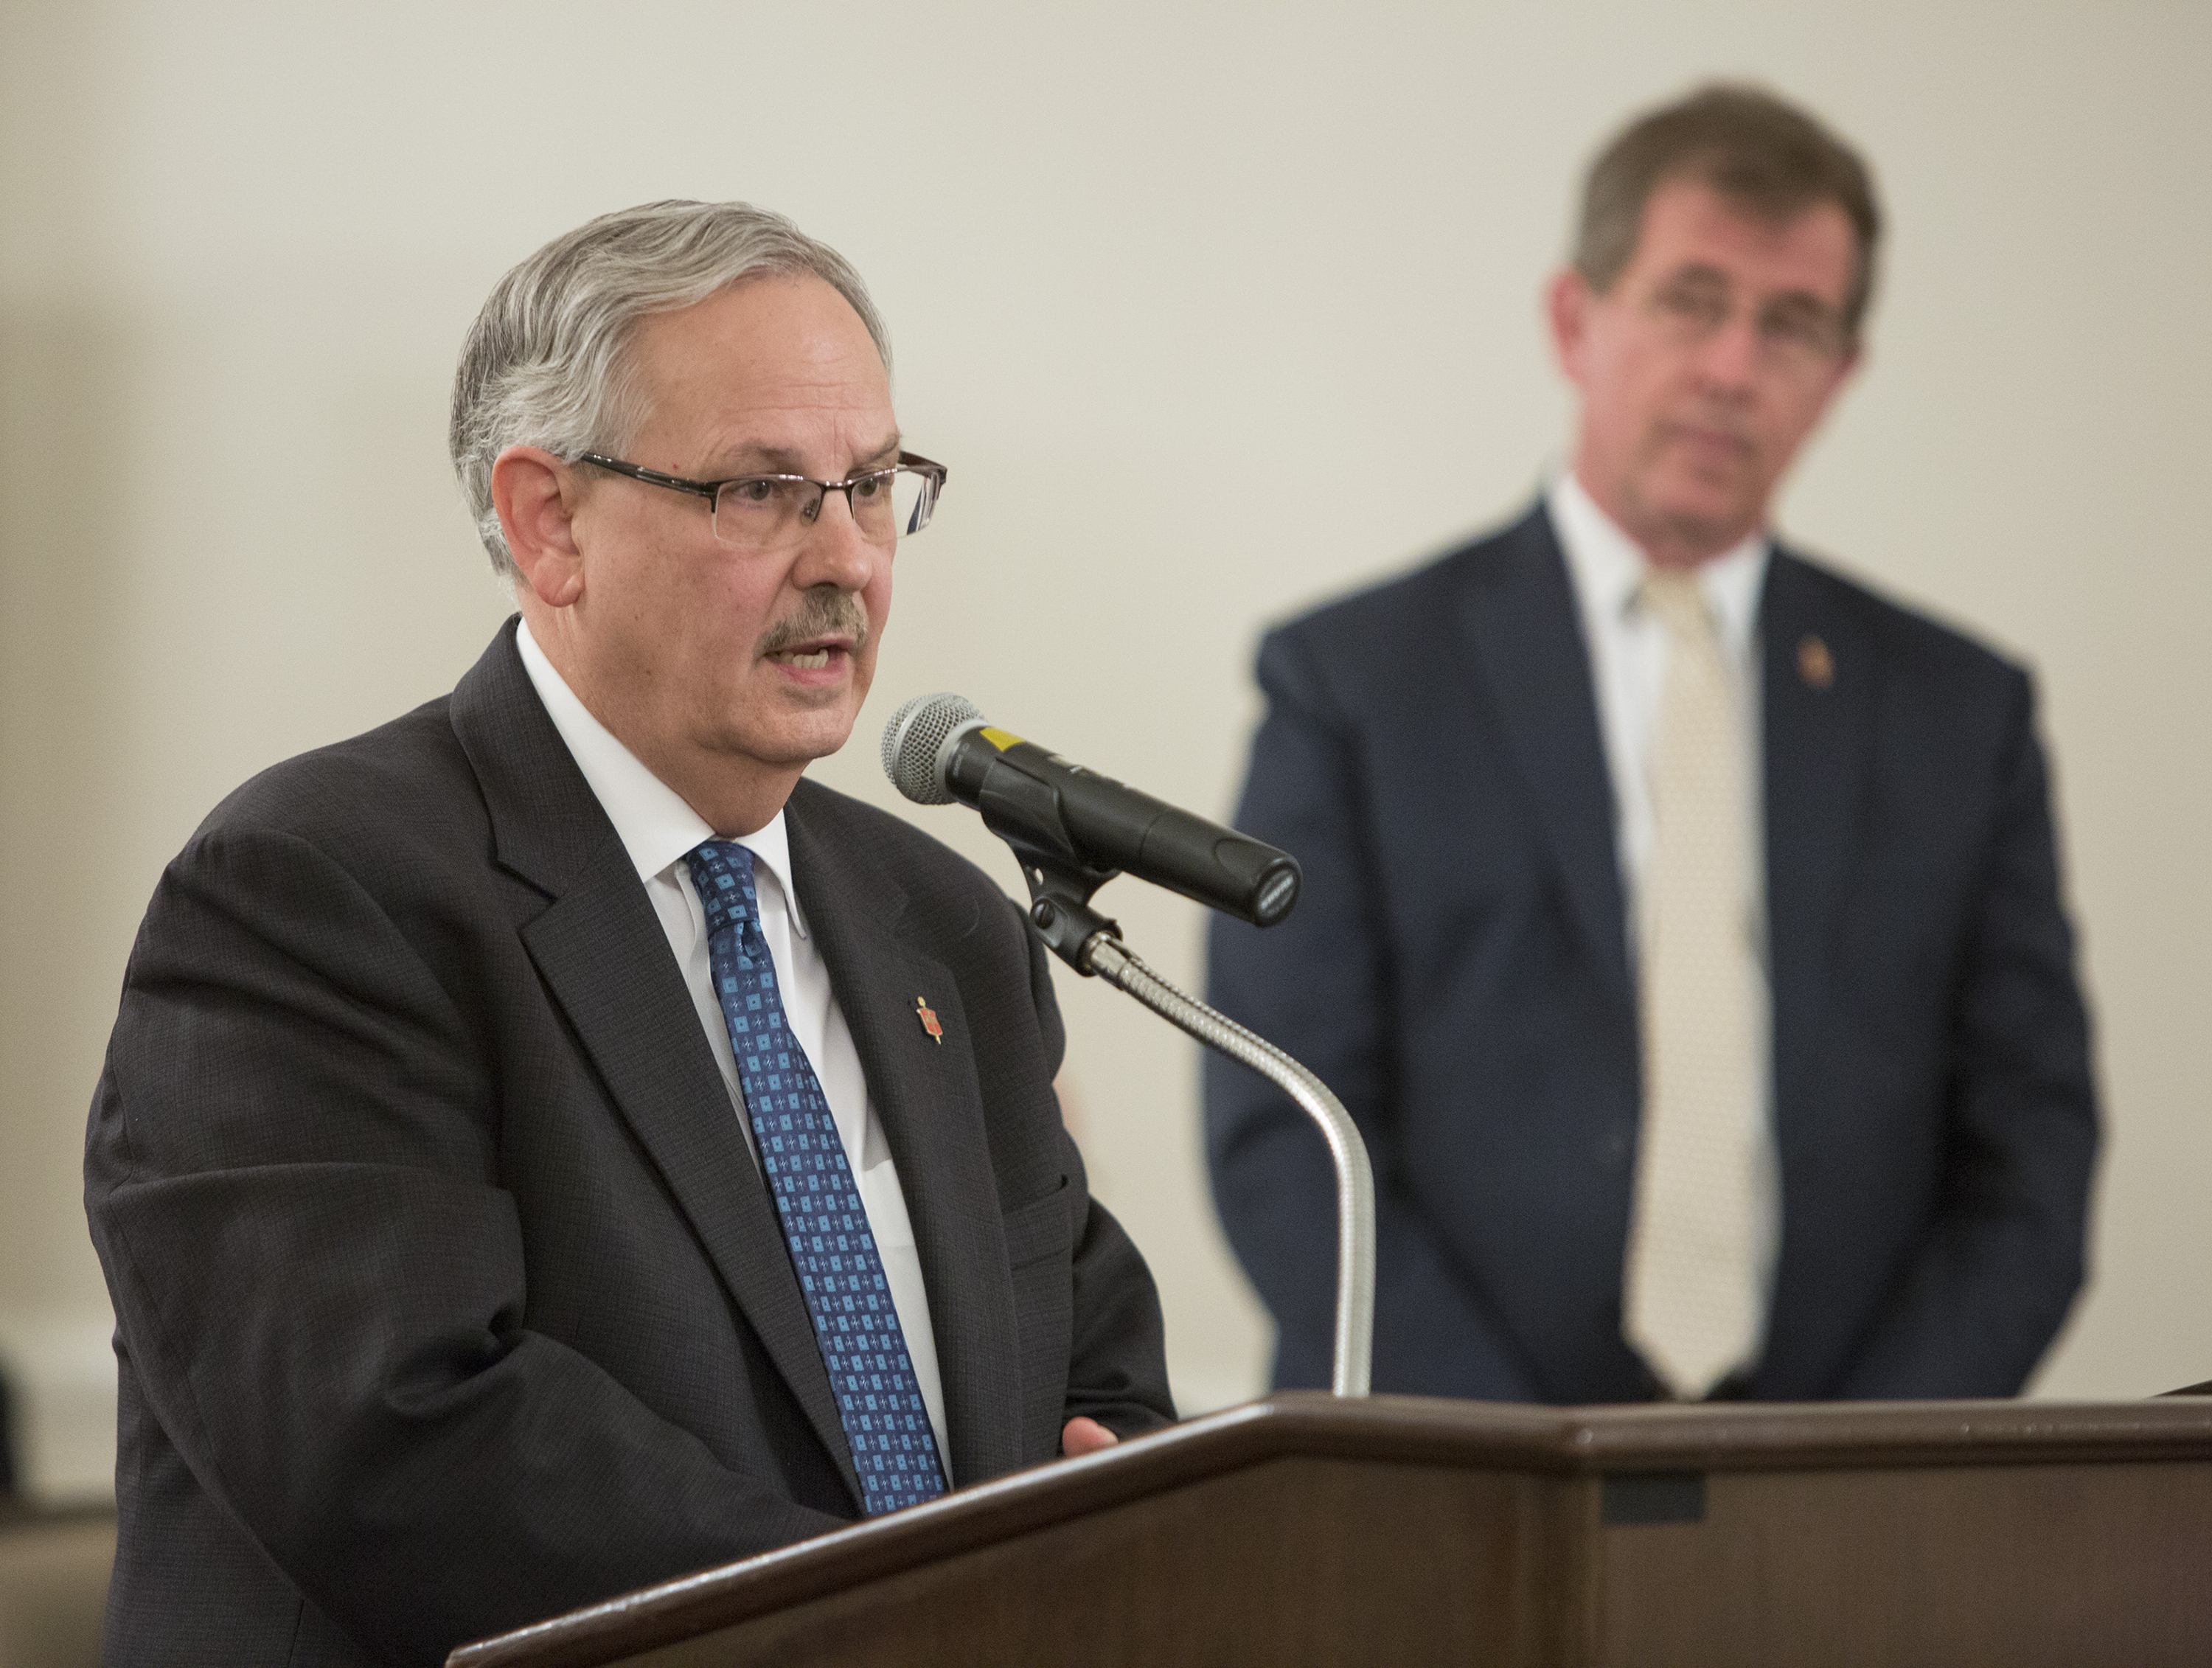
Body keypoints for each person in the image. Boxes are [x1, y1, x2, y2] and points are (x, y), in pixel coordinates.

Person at [84, 201, 1173, 1666]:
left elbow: (1090, 1353)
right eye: (763, 491)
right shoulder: (317, 892)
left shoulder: (948, 929)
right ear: (550, 522)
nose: (846, 557)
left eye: (871, 484)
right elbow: (402, 1440)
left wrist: (1141, 1511)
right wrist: (914, 1617)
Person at [1205, 86, 2098, 1407]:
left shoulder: (1962, 716)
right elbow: (1286, 1125)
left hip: (1848, 1515)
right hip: (1440, 1484)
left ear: (1842, 374)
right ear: (1578, 319)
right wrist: (1529, 1466)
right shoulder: (1354, 681)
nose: (1735, 368)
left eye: (1792, 324)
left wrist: (1842, 1471)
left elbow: (2030, 1156)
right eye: (1692, 300)